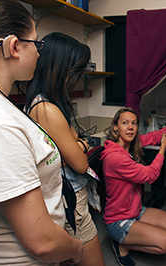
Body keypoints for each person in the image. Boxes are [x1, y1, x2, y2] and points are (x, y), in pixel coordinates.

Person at [0, 0, 84, 265]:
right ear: (14, 47)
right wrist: (76, 248)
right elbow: (43, 243)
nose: (39, 53)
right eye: (36, 44)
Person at [23, 32, 105, 266]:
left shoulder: (42, 101)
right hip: (71, 200)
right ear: (61, 68)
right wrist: (80, 145)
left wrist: (74, 146)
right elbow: (80, 162)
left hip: (64, 196)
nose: (78, 77)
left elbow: (70, 147)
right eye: (76, 70)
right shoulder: (47, 109)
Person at [100, 107, 166, 266]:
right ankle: (122, 244)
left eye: (134, 123)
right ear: (115, 126)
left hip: (135, 210)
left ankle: (136, 235)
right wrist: (163, 148)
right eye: (125, 123)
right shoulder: (115, 157)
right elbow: (150, 175)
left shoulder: (131, 144)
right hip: (118, 220)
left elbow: (156, 136)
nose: (130, 127)